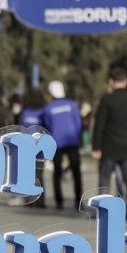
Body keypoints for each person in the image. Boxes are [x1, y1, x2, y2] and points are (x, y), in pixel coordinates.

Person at [92, 67, 127, 219]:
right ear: (126, 81)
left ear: (111, 81)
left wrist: (96, 147)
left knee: (105, 179)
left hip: (109, 146)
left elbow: (99, 125)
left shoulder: (107, 100)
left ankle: (103, 210)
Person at [44, 81, 83, 210]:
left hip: (57, 143)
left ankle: (59, 200)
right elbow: (78, 123)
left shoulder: (48, 108)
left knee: (57, 172)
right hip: (72, 141)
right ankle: (78, 199)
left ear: (51, 93)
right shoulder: (72, 105)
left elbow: (47, 126)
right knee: (76, 170)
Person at [19, 89, 48, 208]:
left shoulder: (24, 113)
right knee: (39, 174)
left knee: (27, 175)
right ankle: (40, 201)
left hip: (26, 147)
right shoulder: (43, 112)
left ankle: (28, 201)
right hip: (40, 147)